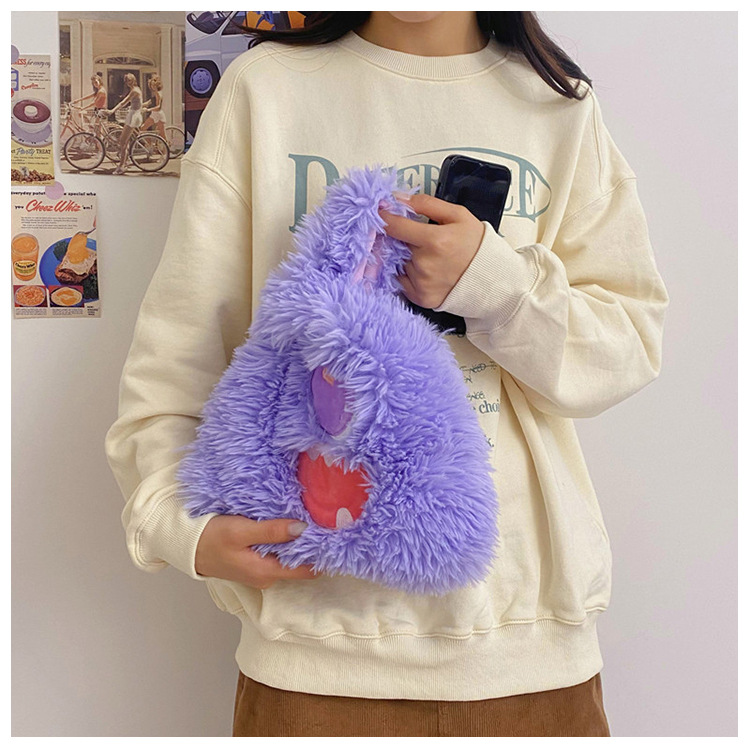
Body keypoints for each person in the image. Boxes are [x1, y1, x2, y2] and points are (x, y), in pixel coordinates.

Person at [104, 11, 670, 737]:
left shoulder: (556, 104)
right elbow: (176, 360)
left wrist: (494, 285)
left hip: (525, 649)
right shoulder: (264, 90)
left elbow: (626, 347)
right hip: (313, 649)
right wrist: (177, 522)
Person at [105, 72, 142, 175]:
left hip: (133, 116)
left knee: (122, 141)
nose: (128, 82)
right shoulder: (136, 89)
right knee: (125, 141)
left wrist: (112, 111)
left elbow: (123, 102)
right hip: (133, 114)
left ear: (134, 80)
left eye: (129, 80)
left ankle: (122, 166)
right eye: (126, 81)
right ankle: (126, 160)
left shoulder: (134, 90)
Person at [140, 74, 167, 141]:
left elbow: (158, 107)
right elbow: (149, 102)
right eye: (151, 85)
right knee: (142, 128)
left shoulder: (158, 93)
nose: (153, 87)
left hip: (159, 115)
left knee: (163, 136)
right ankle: (149, 145)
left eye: (154, 85)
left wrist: (148, 110)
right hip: (154, 115)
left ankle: (167, 147)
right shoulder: (155, 93)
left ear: (157, 85)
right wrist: (139, 105)